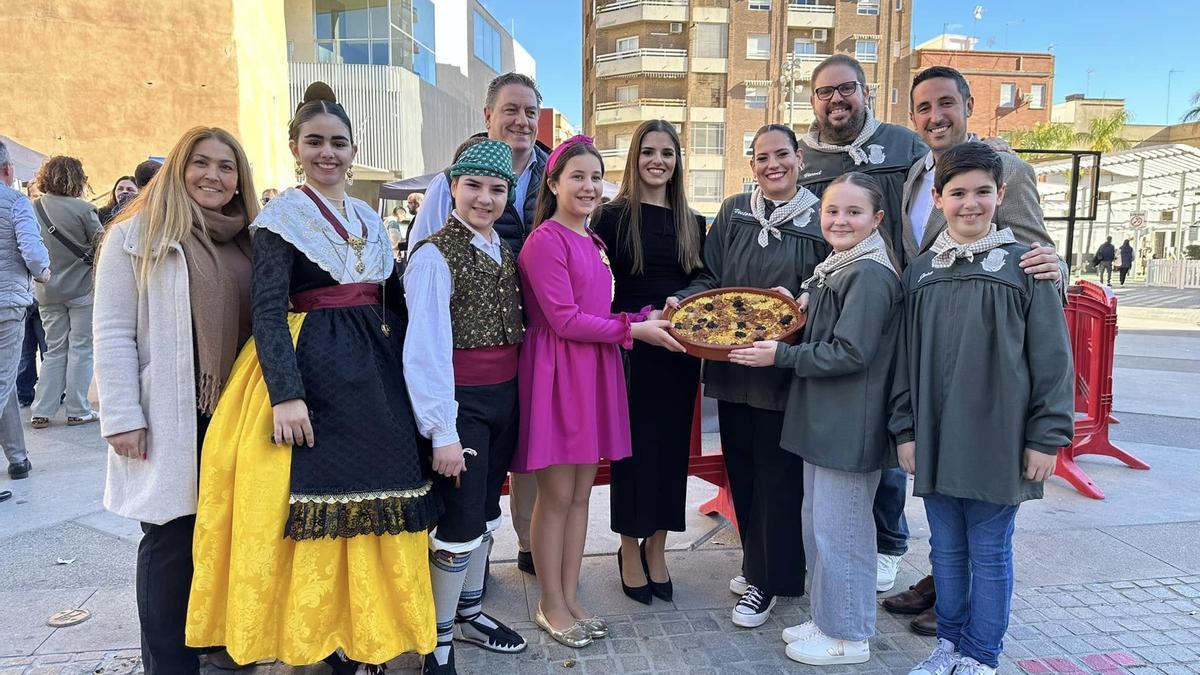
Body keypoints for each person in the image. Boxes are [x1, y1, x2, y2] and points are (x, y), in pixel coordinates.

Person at [184, 83, 438, 672]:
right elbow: (268, 310)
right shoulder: (281, 217)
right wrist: (287, 395)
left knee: (373, 505)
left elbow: (390, 298)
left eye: (339, 143)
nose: (328, 153)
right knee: (310, 511)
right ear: (295, 147)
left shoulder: (370, 221)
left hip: (375, 376)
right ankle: (313, 633)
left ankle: (363, 630)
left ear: (354, 151)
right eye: (316, 142)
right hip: (310, 373)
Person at [887, 65, 1067, 634]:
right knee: (948, 532)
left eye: (946, 102)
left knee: (986, 537)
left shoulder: (1004, 167)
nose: (935, 115)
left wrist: (1053, 269)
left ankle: (973, 633)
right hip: (936, 361)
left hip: (993, 382)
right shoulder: (918, 174)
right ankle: (947, 597)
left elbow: (1035, 256)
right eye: (923, 106)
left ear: (967, 104)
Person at [93, 126, 259, 673]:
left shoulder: (249, 238)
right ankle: (169, 661)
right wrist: (121, 416)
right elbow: (113, 329)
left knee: (228, 533)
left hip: (238, 411)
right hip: (172, 410)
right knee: (171, 541)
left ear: (240, 179)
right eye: (201, 163)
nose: (214, 176)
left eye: (227, 167)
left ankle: (217, 639)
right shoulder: (136, 234)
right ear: (178, 169)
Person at [729, 172, 903, 666]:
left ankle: (848, 635)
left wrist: (780, 358)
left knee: (842, 532)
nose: (840, 220)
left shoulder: (868, 274)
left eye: (853, 212)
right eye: (832, 211)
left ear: (877, 219)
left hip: (849, 425)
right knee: (821, 526)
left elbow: (852, 352)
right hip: (828, 422)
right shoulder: (839, 267)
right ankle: (830, 617)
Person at [514, 135, 679, 648]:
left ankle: (569, 596)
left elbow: (600, 314)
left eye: (595, 177)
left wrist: (642, 317)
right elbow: (563, 320)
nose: (588, 187)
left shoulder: (593, 241)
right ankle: (549, 604)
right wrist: (633, 332)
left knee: (581, 495)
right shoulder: (546, 240)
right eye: (577, 176)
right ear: (554, 182)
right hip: (560, 372)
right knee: (557, 496)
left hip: (592, 367)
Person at [670, 124, 832, 629]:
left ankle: (770, 580)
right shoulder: (735, 211)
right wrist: (688, 301)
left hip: (784, 370)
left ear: (799, 157)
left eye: (781, 155)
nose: (771, 165)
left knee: (778, 478)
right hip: (731, 365)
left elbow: (833, 277)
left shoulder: (823, 214)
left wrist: (807, 297)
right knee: (742, 471)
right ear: (752, 163)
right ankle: (758, 563)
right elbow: (710, 275)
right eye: (762, 157)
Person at [794, 54, 927, 597]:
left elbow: (935, 215)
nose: (836, 100)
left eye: (846, 89)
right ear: (813, 101)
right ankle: (845, 549)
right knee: (845, 434)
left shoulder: (903, 146)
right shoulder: (802, 157)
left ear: (866, 91)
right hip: (830, 295)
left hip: (890, 299)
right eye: (825, 92)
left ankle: (888, 543)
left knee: (883, 429)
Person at [410, 72, 549, 576]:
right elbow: (422, 281)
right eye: (510, 109)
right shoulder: (445, 200)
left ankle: (507, 559)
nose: (521, 120)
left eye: (530, 111)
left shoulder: (553, 173)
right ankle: (458, 601)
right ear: (488, 115)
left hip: (525, 354)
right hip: (463, 369)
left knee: (505, 474)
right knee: (462, 500)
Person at [405, 140, 529, 674]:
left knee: (484, 512)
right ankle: (438, 641)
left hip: (505, 397)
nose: (485, 198)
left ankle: (471, 613)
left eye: (497, 189)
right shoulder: (434, 254)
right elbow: (425, 349)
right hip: (463, 404)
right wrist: (442, 430)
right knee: (458, 523)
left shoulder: (501, 248)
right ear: (452, 187)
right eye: (473, 186)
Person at [592, 120, 702, 605]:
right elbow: (596, 284)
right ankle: (629, 547)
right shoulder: (611, 218)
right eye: (648, 152)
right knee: (633, 454)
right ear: (634, 158)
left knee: (672, 451)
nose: (658, 161)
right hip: (632, 345)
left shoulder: (693, 221)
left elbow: (706, 277)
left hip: (678, 350)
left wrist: (679, 300)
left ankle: (659, 546)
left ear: (678, 161)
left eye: (667, 153)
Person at [28, 156, 102, 430]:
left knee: (55, 350)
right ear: (78, 178)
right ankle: (78, 409)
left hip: (47, 290)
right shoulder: (84, 210)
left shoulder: (34, 208)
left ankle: (42, 411)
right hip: (82, 289)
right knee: (81, 348)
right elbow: (101, 246)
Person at [0, 140, 50, 481]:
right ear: (7, 170)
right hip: (7, 302)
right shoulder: (16, 202)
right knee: (2, 382)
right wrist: (43, 271)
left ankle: (18, 458)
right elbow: (32, 252)